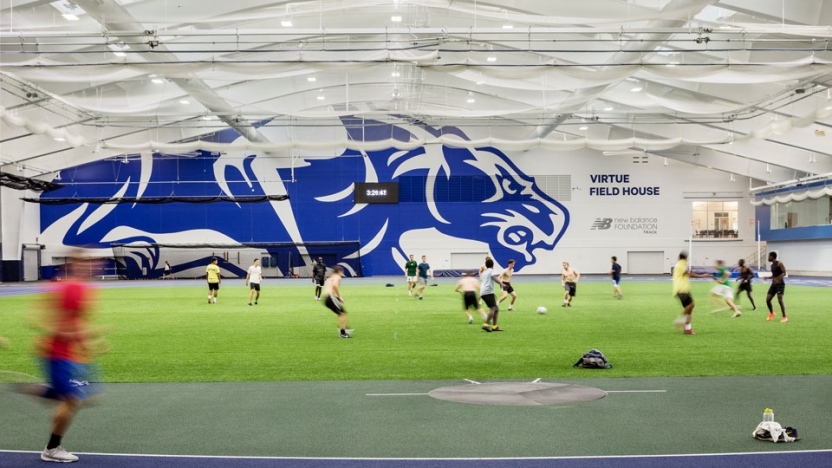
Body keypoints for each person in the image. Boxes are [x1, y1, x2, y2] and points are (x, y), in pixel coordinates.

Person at [29, 255, 107, 463]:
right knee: (73, 400)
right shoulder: (71, 288)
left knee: (83, 398)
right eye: (84, 262)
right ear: (74, 265)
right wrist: (87, 338)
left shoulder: (80, 289)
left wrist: (86, 342)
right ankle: (52, 448)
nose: (92, 266)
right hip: (58, 354)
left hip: (67, 355)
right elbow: (56, 322)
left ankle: (45, 391)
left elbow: (74, 321)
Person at [672, 251, 712, 335]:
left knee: (691, 306)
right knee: (690, 306)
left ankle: (687, 328)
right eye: (687, 257)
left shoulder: (679, 264)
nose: (688, 259)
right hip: (682, 289)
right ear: (685, 257)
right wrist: (702, 276)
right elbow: (689, 273)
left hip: (683, 289)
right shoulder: (682, 264)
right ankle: (680, 320)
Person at [323, 266, 351, 338]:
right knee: (342, 314)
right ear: (339, 271)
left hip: (327, 298)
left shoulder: (331, 277)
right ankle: (343, 333)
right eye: (342, 271)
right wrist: (339, 296)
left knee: (342, 313)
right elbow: (335, 286)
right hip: (330, 297)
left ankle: (343, 328)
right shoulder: (337, 277)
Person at [480, 258, 504, 332]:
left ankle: (494, 326)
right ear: (493, 265)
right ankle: (486, 325)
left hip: (484, 292)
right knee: (493, 308)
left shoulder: (484, 272)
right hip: (488, 292)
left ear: (486, 265)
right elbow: (494, 277)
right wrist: (501, 283)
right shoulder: (492, 271)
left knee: (496, 309)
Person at [764, 252, 788, 322]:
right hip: (773, 285)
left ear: (772, 256)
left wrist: (779, 279)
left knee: (780, 300)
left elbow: (784, 273)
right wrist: (768, 277)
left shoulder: (779, 263)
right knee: (768, 300)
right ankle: (772, 313)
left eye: (769, 256)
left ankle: (784, 317)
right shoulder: (772, 266)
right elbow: (774, 275)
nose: (768, 258)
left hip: (780, 284)